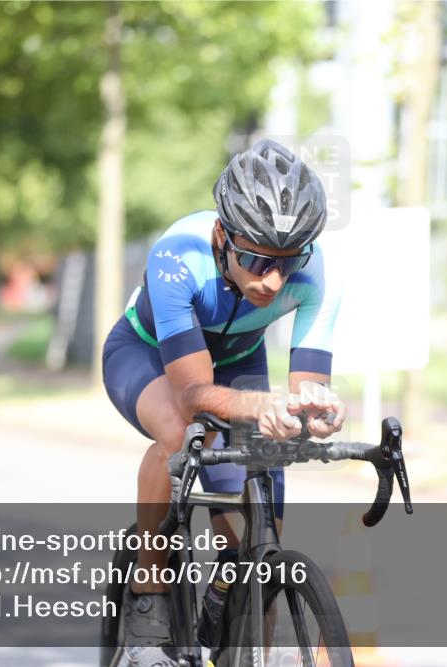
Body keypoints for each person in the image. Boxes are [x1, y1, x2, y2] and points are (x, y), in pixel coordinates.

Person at [102, 138, 346, 665]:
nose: (274, 279)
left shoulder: (319, 272)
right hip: (146, 354)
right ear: (222, 234)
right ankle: (149, 600)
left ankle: (229, 598)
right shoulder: (178, 254)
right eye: (257, 259)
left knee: (259, 538)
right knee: (181, 433)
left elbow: (305, 388)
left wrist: (317, 410)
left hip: (236, 360)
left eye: (289, 261)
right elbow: (191, 394)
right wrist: (258, 407)